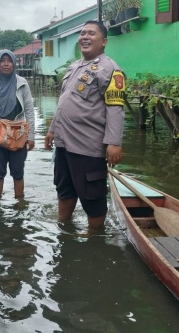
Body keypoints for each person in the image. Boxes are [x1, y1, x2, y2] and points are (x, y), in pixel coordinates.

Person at [44, 21, 125, 229]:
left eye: (91, 33)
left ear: (104, 41)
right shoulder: (74, 67)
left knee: (92, 196)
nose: (85, 37)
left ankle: (94, 238)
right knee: (64, 189)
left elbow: (115, 108)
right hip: (63, 143)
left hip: (88, 146)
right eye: (82, 33)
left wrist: (114, 142)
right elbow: (64, 101)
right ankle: (64, 227)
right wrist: (52, 129)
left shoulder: (111, 70)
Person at [0, 50, 36, 198]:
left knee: (17, 173)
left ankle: (19, 205)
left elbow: (29, 110)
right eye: (2, 61)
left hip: (18, 135)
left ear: (14, 64)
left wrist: (31, 136)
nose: (5, 64)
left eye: (9, 61)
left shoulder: (22, 83)